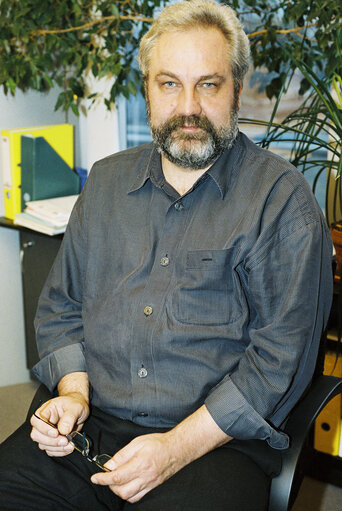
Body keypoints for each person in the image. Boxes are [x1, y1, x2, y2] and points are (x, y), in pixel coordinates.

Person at [0, 0, 333, 509]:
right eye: (169, 83)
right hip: (91, 423)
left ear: (236, 89)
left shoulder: (282, 203)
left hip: (213, 444)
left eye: (209, 84)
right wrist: (72, 395)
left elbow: (278, 361)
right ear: (148, 91)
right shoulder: (106, 182)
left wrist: (174, 449)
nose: (188, 108)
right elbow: (62, 307)